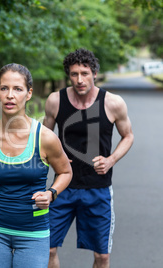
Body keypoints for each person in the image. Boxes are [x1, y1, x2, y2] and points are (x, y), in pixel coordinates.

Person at [0, 63, 72, 268]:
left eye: (17, 89)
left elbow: (66, 172)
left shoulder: (45, 138)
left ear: (29, 93)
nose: (10, 95)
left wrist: (51, 193)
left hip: (34, 232)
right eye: (4, 88)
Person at [43, 48, 134, 268]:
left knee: (102, 256)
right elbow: (43, 140)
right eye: (74, 74)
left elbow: (128, 136)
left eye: (84, 73)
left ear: (94, 73)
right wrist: (56, 157)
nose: (80, 79)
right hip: (62, 187)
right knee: (47, 247)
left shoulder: (113, 103)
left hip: (98, 189)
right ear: (68, 75)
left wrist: (111, 160)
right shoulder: (56, 100)